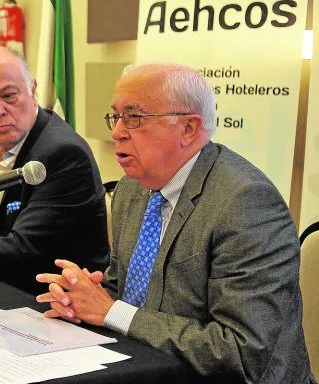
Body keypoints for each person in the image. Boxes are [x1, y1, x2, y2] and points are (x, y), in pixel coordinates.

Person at [36, 64, 315, 384]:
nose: (117, 132)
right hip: (146, 368)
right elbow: (127, 293)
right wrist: (82, 298)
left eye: (134, 117)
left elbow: (240, 352)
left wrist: (111, 311)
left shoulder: (246, 204)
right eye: (116, 116)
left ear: (189, 128)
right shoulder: (133, 188)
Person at [0, 46, 109, 294]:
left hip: (44, 304)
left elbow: (22, 252)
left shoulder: (63, 154)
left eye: (8, 96)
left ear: (32, 90)